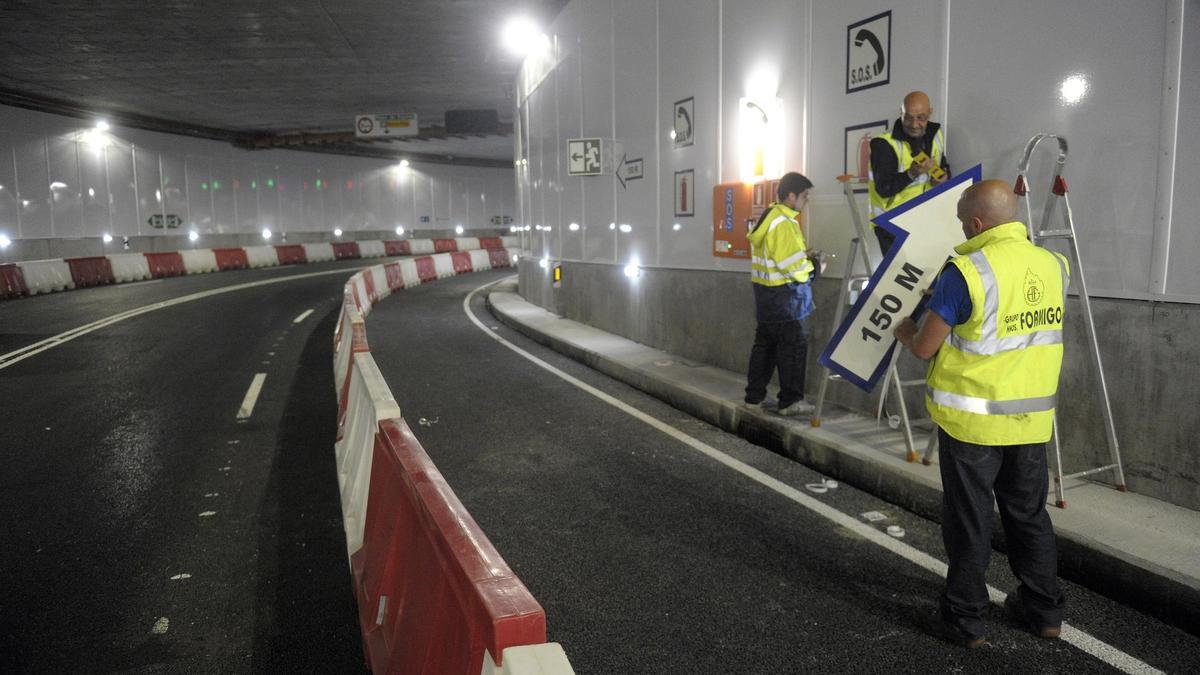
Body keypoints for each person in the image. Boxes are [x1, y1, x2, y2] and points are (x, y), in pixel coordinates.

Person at [894, 179, 1068, 648]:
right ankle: (1043, 609)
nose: (960, 230)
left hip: (972, 425)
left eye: (960, 222)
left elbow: (927, 346)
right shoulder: (1053, 264)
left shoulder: (966, 271)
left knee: (970, 519)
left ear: (976, 222)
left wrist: (907, 329)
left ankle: (966, 619)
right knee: (1028, 516)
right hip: (1030, 421)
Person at [744, 172, 820, 417]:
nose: (806, 201)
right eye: (804, 196)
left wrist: (802, 256)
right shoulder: (785, 224)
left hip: (765, 297)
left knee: (764, 348)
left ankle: (753, 397)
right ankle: (790, 402)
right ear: (791, 195)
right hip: (787, 299)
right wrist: (815, 267)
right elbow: (794, 268)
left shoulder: (769, 217)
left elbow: (778, 258)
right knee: (793, 349)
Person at [868, 91, 951, 255]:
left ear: (930, 113)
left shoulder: (936, 136)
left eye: (921, 118)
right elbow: (884, 189)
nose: (914, 124)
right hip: (892, 224)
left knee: (928, 276)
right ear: (901, 112)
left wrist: (942, 179)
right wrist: (911, 174)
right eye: (908, 117)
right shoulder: (883, 144)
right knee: (899, 279)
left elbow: (943, 167)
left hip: (925, 220)